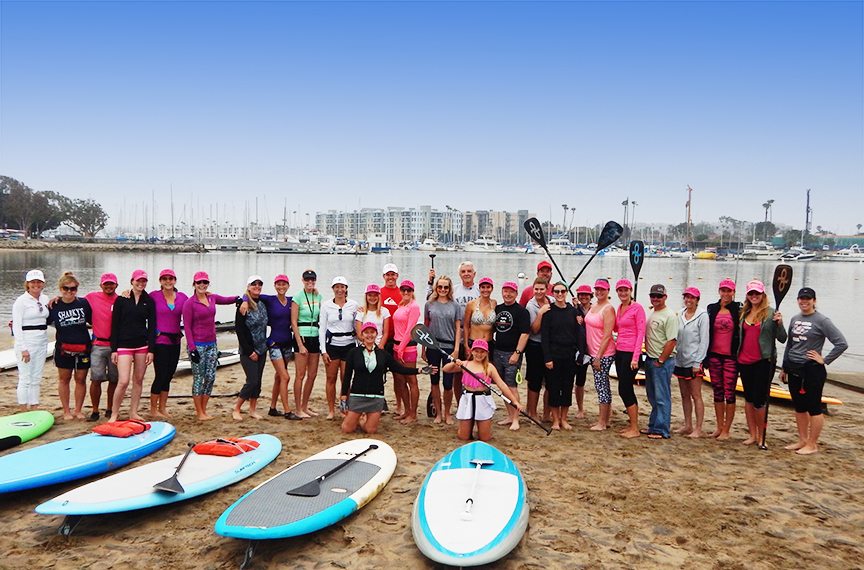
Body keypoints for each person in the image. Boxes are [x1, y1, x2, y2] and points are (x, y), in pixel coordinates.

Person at [780, 287, 848, 455]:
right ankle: (802, 440)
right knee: (799, 407)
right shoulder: (795, 319)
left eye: (808, 299)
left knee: (814, 407)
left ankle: (812, 443)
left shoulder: (822, 320)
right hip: (794, 368)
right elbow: (790, 344)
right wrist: (785, 367)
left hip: (812, 370)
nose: (804, 301)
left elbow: (841, 343)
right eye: (801, 298)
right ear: (797, 300)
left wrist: (824, 360)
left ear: (814, 301)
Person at [341, 322, 434, 435]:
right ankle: (360, 419)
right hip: (357, 396)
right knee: (347, 429)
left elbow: (399, 369)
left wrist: (419, 370)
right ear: (362, 335)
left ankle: (363, 420)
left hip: (376, 397)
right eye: (366, 332)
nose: (369, 335)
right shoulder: (354, 353)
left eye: (372, 332)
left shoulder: (383, 354)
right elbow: (347, 376)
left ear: (376, 334)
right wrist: (344, 397)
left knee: (371, 430)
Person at [181, 271, 239, 421]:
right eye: (199, 282)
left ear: (208, 284)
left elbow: (227, 300)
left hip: (212, 344)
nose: (202, 285)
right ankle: (199, 412)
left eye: (205, 282)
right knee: (199, 378)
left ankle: (204, 410)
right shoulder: (189, 303)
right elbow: (187, 327)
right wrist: (192, 348)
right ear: (194, 284)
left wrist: (241, 298)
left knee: (210, 377)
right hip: (197, 346)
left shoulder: (212, 298)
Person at [241, 275, 298, 419]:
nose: (281, 287)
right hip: (274, 343)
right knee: (285, 377)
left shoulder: (292, 300)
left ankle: (273, 407)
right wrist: (244, 301)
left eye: (284, 284)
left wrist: (314, 292)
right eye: (278, 284)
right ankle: (287, 411)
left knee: (279, 377)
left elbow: (304, 299)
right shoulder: (270, 299)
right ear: (274, 286)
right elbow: (251, 294)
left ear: (288, 286)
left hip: (287, 343)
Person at [737, 280, 787, 446]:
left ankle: (761, 436)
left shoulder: (772, 313)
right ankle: (752, 434)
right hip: (744, 360)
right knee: (749, 398)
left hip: (764, 361)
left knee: (759, 399)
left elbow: (782, 338)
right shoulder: (744, 313)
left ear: (763, 295)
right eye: (751, 293)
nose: (754, 296)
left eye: (757, 293)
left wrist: (779, 324)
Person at [443, 339, 521, 441]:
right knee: (464, 437)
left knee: (485, 438)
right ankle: (466, 427)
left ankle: (480, 427)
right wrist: (454, 363)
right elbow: (445, 369)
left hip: (483, 400)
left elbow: (502, 385)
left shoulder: (490, 367)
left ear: (486, 353)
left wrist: (514, 401)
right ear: (472, 351)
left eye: (482, 352)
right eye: (476, 351)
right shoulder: (465, 364)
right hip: (467, 399)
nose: (479, 354)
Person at [109, 270, 157, 422]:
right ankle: (114, 414)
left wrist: (151, 350)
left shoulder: (148, 300)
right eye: (138, 281)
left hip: (142, 345)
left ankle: (133, 413)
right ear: (132, 281)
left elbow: (152, 326)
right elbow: (114, 325)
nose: (141, 283)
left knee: (138, 379)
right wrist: (114, 349)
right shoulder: (122, 299)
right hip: (124, 345)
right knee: (123, 381)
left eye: (144, 281)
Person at [48, 272, 93, 420]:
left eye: (73, 289)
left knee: (81, 379)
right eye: (66, 288)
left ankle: (78, 410)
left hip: (83, 347)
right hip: (63, 348)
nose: (69, 291)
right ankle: (66, 411)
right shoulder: (53, 305)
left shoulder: (83, 303)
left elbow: (96, 320)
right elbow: (39, 321)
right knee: (64, 379)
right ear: (60, 288)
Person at [705, 279, 741, 440]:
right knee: (717, 392)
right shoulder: (712, 309)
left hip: (730, 357)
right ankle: (719, 427)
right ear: (719, 292)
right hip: (714, 355)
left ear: (733, 293)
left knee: (729, 392)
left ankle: (727, 429)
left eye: (729, 291)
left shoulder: (739, 310)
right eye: (723, 291)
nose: (726, 294)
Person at [149, 269, 187, 419]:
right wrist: (126, 292)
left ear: (175, 280)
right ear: (160, 281)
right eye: (164, 279)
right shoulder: (154, 296)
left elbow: (195, 305)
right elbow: (136, 298)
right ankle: (153, 409)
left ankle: (163, 408)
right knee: (160, 374)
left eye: (170, 278)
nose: (168, 281)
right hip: (160, 341)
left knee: (169, 375)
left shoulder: (182, 297)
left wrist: (207, 296)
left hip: (175, 341)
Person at [541, 282, 580, 431]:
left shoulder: (573, 311)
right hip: (553, 354)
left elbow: (579, 333)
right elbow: (544, 337)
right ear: (553, 293)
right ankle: (555, 420)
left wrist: (580, 355)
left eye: (563, 291)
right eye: (556, 291)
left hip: (569, 355)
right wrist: (547, 358)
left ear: (566, 292)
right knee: (553, 388)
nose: (559, 294)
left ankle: (564, 419)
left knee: (567, 387)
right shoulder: (549, 312)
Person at [320, 276, 360, 420]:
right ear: (333, 289)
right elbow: (322, 329)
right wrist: (323, 351)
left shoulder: (354, 305)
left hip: (349, 344)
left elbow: (357, 326)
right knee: (331, 379)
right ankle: (331, 410)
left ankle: (344, 408)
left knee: (346, 378)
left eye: (342, 287)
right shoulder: (326, 306)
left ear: (346, 288)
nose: (339, 290)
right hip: (332, 345)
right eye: (337, 287)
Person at [423, 275, 462, 425]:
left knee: (447, 383)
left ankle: (447, 413)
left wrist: (457, 348)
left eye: (446, 287)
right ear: (436, 288)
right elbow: (425, 328)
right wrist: (424, 349)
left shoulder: (455, 305)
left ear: (449, 288)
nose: (443, 290)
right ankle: (438, 413)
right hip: (433, 346)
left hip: (449, 347)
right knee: (434, 381)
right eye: (440, 287)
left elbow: (458, 329)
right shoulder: (429, 304)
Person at [493, 281, 530, 431]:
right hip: (497, 351)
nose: (507, 294)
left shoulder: (522, 311)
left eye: (511, 292)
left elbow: (525, 334)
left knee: (512, 386)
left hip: (512, 353)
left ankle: (516, 419)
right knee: (502, 386)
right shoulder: (498, 309)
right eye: (505, 291)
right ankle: (509, 415)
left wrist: (517, 353)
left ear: (516, 294)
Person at [642, 284, 678, 439]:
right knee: (652, 396)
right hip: (650, 359)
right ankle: (653, 425)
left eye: (658, 296)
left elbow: (672, 340)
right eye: (653, 296)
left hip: (662, 361)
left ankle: (662, 429)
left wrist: (661, 360)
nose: (655, 299)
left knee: (662, 397)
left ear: (665, 297)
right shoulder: (654, 313)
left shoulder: (669, 316)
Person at [673, 287, 710, 438]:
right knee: (684, 394)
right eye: (687, 297)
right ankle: (687, 424)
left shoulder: (702, 316)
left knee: (696, 395)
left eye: (692, 298)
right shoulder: (680, 314)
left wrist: (697, 363)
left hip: (694, 361)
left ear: (697, 300)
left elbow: (704, 340)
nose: (689, 300)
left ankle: (698, 428)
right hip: (680, 360)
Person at [12, 269, 50, 412]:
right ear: (27, 284)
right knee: (25, 378)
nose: (36, 285)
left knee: (36, 378)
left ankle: (34, 407)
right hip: (27, 342)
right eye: (33, 282)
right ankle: (23, 409)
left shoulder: (45, 299)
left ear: (43, 284)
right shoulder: (21, 301)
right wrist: (23, 348)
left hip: (42, 341)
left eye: (39, 282)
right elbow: (16, 326)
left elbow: (49, 318)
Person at [232, 276, 269, 421]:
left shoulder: (262, 302)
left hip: (262, 347)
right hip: (248, 350)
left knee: (258, 381)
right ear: (248, 286)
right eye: (254, 284)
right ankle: (237, 408)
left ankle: (252, 409)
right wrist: (249, 351)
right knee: (251, 380)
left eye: (260, 284)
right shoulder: (243, 304)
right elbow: (239, 330)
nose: (257, 286)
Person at [84, 273, 119, 421]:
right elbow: (72, 301)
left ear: (116, 285)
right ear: (101, 285)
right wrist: (57, 299)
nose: (108, 286)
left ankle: (110, 408)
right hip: (98, 344)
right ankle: (95, 410)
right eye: (106, 284)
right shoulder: (92, 297)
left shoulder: (121, 300)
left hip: (115, 345)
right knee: (96, 379)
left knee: (114, 379)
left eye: (111, 284)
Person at [614, 279, 645, 438]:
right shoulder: (620, 307)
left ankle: (635, 427)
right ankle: (631, 425)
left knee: (625, 388)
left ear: (631, 291)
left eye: (625, 290)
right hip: (619, 351)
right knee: (623, 388)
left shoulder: (637, 308)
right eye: (620, 291)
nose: (623, 293)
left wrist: (635, 357)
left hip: (631, 354)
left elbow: (641, 332)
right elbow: (616, 327)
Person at [585, 279, 616, 431]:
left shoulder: (608, 309)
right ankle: (606, 419)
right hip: (592, 351)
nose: (599, 292)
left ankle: (602, 422)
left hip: (603, 353)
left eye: (602, 289)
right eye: (597, 289)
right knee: (601, 386)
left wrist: (598, 356)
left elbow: (607, 335)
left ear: (608, 291)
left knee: (602, 386)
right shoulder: (594, 305)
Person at [292, 269, 322, 418]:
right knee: (300, 374)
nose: (310, 282)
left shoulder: (317, 295)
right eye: (307, 280)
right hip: (302, 336)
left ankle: (305, 406)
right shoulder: (297, 297)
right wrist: (300, 344)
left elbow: (323, 314)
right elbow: (293, 322)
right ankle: (298, 408)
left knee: (312, 374)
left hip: (314, 335)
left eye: (312, 280)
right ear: (303, 281)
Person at [392, 280, 421, 424]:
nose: (406, 292)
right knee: (400, 380)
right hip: (397, 345)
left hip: (408, 347)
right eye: (403, 290)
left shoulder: (414, 306)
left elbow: (410, 329)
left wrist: (402, 348)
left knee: (411, 380)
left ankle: (413, 414)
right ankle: (406, 410)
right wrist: (398, 348)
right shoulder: (401, 304)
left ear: (413, 291)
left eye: (409, 290)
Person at [451, 261, 480, 403]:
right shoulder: (454, 290)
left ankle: (475, 399)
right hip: (457, 335)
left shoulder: (479, 291)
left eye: (469, 271)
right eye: (463, 271)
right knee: (457, 372)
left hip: (474, 336)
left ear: (474, 274)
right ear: (459, 274)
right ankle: (459, 402)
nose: (466, 274)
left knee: (475, 370)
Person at [525, 278, 552, 421]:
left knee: (549, 381)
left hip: (550, 345)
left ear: (547, 289)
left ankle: (547, 413)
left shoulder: (552, 301)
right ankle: (532, 412)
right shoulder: (531, 306)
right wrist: (541, 313)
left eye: (542, 289)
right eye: (536, 289)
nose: (539, 292)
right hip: (535, 345)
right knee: (534, 381)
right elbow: (534, 329)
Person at [380, 263, 404, 414]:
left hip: (398, 339)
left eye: (393, 274)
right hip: (382, 338)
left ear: (397, 276)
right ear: (384, 276)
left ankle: (399, 405)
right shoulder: (379, 292)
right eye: (387, 274)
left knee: (398, 375)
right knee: (379, 374)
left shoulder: (403, 293)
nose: (390, 277)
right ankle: (379, 403)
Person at [572, 284, 594, 419]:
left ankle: (582, 409)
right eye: (581, 295)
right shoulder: (575, 309)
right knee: (577, 380)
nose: (584, 297)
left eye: (586, 294)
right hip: (577, 348)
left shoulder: (595, 309)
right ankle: (579, 409)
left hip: (592, 348)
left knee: (583, 380)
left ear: (591, 296)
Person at [464, 277, 496, 357]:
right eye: (483, 287)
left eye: (488, 287)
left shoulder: (494, 304)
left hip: (489, 342)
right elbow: (466, 326)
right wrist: (466, 346)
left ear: (492, 289)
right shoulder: (471, 304)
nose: (485, 290)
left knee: (488, 368)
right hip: (474, 342)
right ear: (479, 289)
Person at [355, 284, 391, 349]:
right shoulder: (360, 312)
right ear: (366, 296)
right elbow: (359, 334)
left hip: (379, 346)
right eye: (370, 295)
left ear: (379, 297)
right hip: (365, 346)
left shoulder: (384, 311)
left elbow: (385, 333)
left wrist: (381, 345)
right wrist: (368, 346)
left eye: (375, 295)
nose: (372, 298)